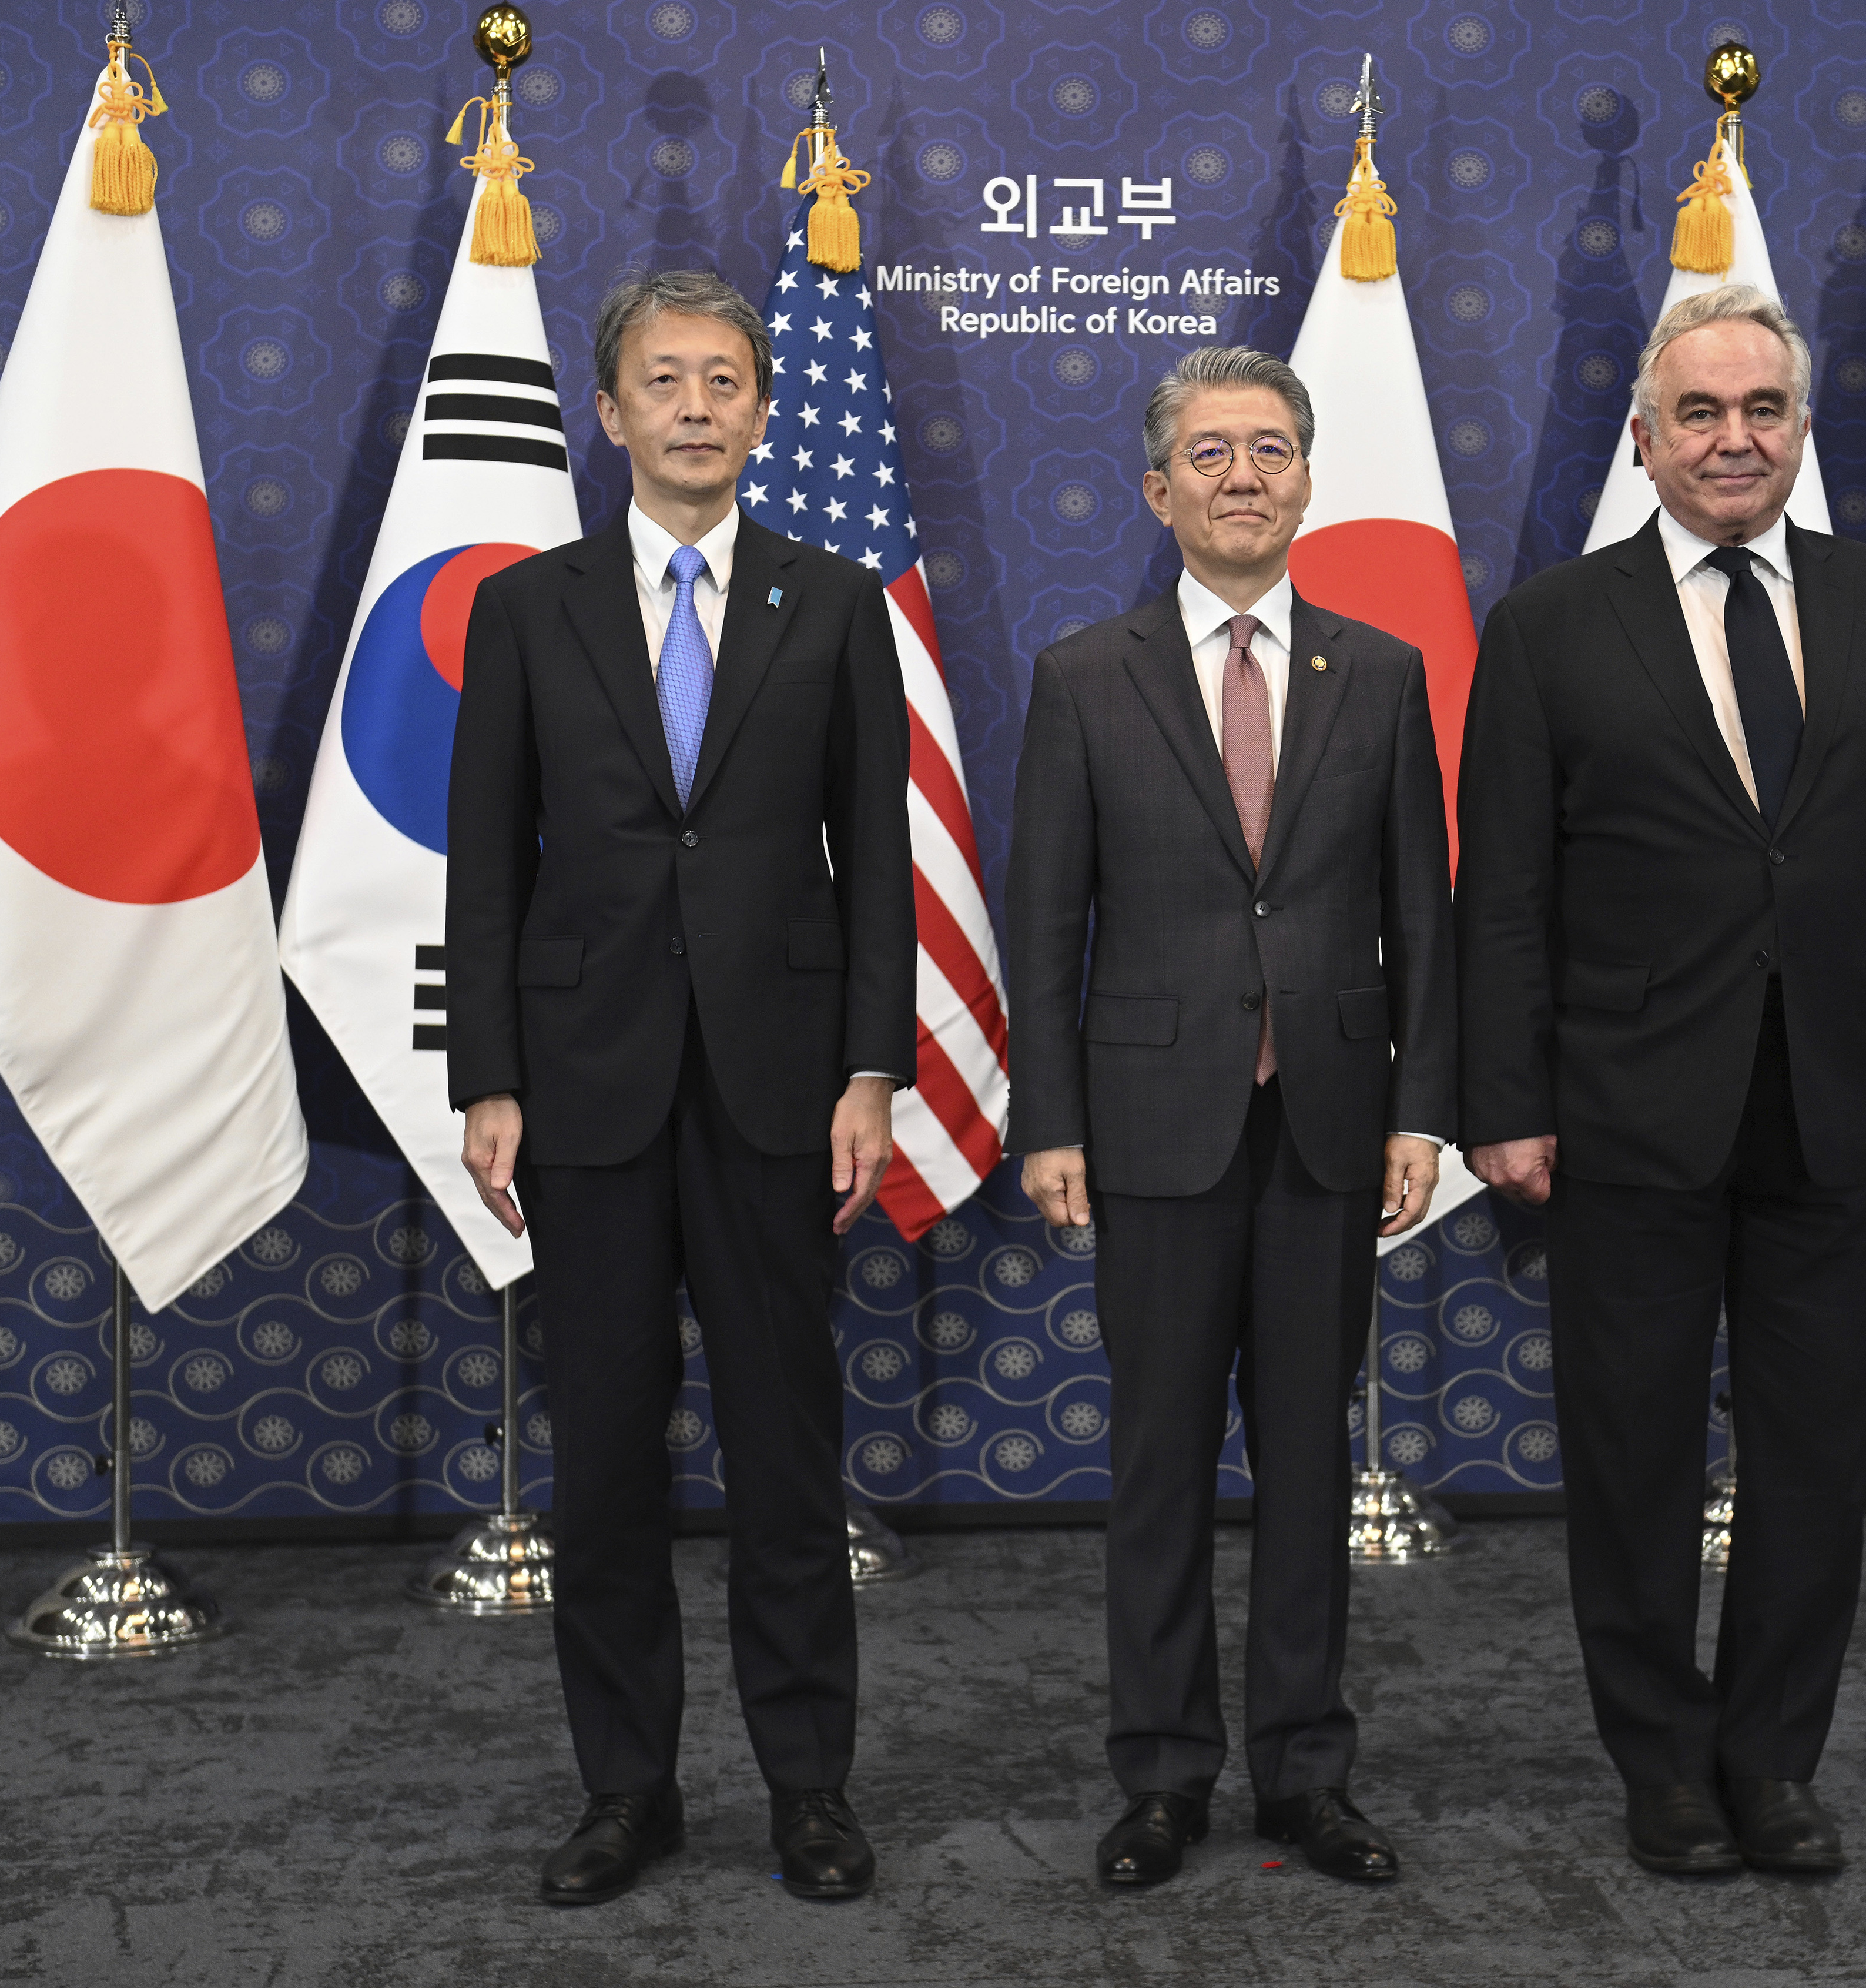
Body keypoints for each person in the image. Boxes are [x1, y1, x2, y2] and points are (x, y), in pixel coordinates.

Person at [1456, 285, 1866, 1876]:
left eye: (1762, 411)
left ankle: (1772, 1763)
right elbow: (1497, 897)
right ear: (1645, 441)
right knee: (1630, 1465)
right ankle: (1664, 1771)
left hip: (1836, 1110)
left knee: (1811, 1466)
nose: (1733, 439)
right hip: (1623, 1116)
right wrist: (1506, 1100)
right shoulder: (1553, 626)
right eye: (1699, 414)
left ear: (1799, 432)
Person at [447, 267, 914, 1907]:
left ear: (764, 412)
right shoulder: (527, 608)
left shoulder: (835, 603)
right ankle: (624, 1790)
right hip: (580, 1094)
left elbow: (880, 865)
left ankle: (809, 1789)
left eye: (726, 380)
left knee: (790, 1454)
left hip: (785, 1092)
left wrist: (874, 1071)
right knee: (609, 1463)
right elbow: (486, 869)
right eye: (668, 380)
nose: (698, 406)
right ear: (614, 410)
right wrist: (488, 1076)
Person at [1006, 347, 1458, 1888]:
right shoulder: (1084, 675)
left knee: (1314, 1470)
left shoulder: (1381, 674)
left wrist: (1422, 1110)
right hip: (1148, 1127)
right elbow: (1043, 920)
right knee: (1158, 1464)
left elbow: (1424, 918)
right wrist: (1049, 1122)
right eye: (1210, 453)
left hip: (1333, 1125)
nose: (1243, 475)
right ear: (1158, 489)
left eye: (1271, 448)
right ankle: (1161, 1776)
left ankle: (1304, 1775)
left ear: (1310, 480)